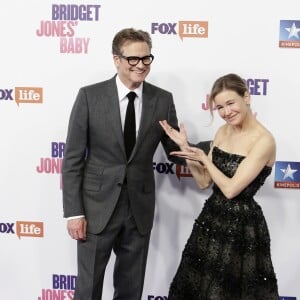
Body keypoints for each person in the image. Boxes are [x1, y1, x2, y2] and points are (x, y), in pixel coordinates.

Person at [62, 28, 208, 300]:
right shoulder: (89, 97)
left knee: (131, 288)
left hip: (138, 209)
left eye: (146, 59)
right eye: (133, 59)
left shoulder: (162, 99)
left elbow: (173, 149)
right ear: (116, 59)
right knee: (88, 287)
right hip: (96, 208)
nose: (141, 65)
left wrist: (189, 147)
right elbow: (72, 159)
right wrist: (74, 213)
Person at [159, 73, 279, 299]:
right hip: (212, 219)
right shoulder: (223, 131)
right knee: (198, 286)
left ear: (247, 97)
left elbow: (232, 189)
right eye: (220, 107)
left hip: (243, 226)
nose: (226, 112)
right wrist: (187, 151)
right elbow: (204, 182)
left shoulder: (264, 140)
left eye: (230, 103)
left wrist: (204, 159)